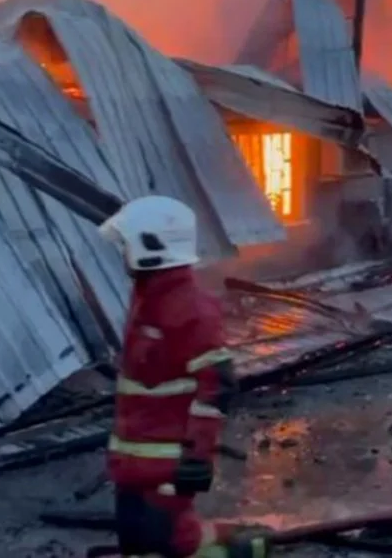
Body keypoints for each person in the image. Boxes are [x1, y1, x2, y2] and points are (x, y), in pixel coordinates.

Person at [99, 196, 269, 558]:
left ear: (153, 246)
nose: (123, 252)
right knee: (136, 547)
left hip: (166, 463)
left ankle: (244, 551)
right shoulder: (148, 299)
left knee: (173, 548)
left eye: (127, 244)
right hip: (132, 464)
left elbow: (217, 385)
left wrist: (196, 456)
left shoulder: (191, 308)